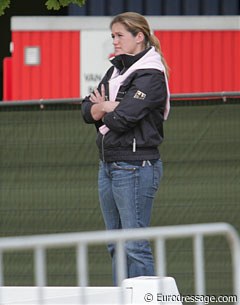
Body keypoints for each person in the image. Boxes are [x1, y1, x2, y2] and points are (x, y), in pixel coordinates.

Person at [81, 12, 170, 285]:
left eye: (120, 36)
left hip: (135, 166)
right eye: (113, 36)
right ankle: (122, 297)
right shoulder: (115, 69)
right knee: (115, 244)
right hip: (108, 164)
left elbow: (123, 119)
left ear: (139, 37)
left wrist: (104, 110)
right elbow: (86, 109)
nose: (115, 42)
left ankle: (144, 301)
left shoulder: (151, 74)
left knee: (134, 245)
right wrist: (104, 107)